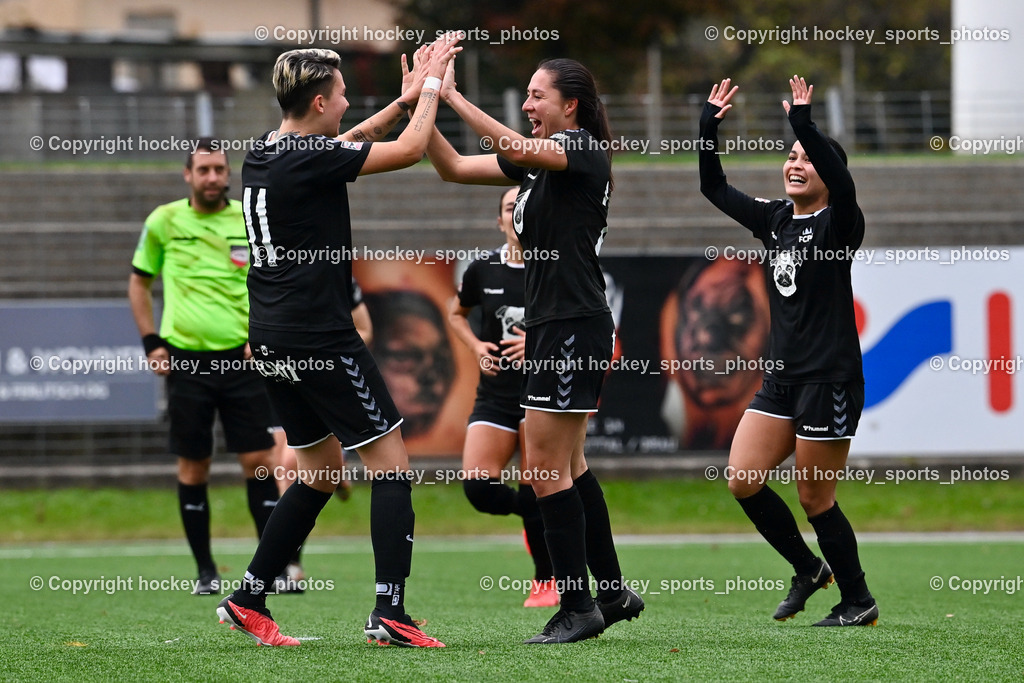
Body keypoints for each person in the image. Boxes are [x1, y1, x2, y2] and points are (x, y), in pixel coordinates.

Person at [215, 37, 461, 647]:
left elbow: (341, 146)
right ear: (321, 99)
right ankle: (390, 613)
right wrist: (432, 89)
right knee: (392, 467)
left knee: (319, 472)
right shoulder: (307, 157)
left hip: (272, 338)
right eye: (344, 94)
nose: (349, 102)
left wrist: (401, 103)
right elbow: (405, 154)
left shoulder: (268, 152)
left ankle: (248, 597)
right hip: (320, 337)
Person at [422, 57, 644, 643]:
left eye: (537, 95)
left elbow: (517, 146)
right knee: (568, 467)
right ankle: (612, 592)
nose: (527, 104)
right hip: (555, 326)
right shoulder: (536, 167)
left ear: (570, 106)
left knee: (543, 470)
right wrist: (423, 100)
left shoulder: (582, 151)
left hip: (573, 325)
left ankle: (577, 608)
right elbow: (449, 167)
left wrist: (452, 95)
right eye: (526, 95)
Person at [699, 75, 878, 626]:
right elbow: (714, 187)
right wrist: (708, 128)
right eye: (791, 155)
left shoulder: (840, 222)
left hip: (829, 379)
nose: (795, 163)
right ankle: (808, 569)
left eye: (808, 158)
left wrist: (804, 121)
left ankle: (857, 601)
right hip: (782, 380)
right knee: (742, 478)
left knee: (814, 497)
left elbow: (845, 187)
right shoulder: (776, 219)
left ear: (830, 173)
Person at [128, 139, 279, 596]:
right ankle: (206, 572)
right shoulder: (164, 221)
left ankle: (267, 571)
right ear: (187, 175)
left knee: (258, 463)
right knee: (195, 466)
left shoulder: (248, 219)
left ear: (228, 174)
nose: (212, 177)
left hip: (243, 359)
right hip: (186, 360)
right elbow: (139, 283)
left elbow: (272, 279)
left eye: (219, 169)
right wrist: (152, 342)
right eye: (204, 170)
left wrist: (264, 334)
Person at [447, 186, 558, 609]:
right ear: (499, 220)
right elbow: (456, 313)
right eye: (510, 208)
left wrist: (539, 346)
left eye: (523, 207)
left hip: (540, 393)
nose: (516, 214)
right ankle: (544, 517)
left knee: (538, 485)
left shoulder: (553, 266)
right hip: (494, 394)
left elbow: (586, 326)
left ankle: (546, 581)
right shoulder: (482, 269)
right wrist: (476, 347)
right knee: (478, 488)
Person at [270, 276, 371, 592]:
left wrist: (332, 360)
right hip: (280, 376)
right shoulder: (267, 269)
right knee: (283, 470)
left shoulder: (337, 275)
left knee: (292, 466)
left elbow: (365, 329)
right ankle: (290, 564)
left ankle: (287, 564)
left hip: (324, 380)